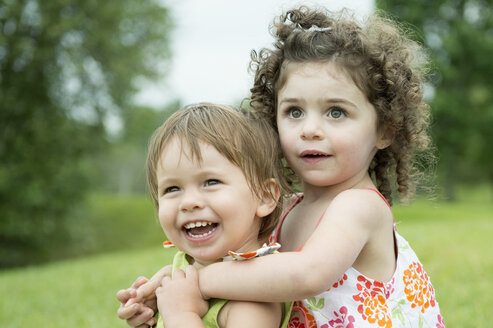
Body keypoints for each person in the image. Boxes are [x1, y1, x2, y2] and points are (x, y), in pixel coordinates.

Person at [118, 6, 444, 327]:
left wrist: (196, 284)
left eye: (336, 112)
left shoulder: (360, 206)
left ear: (385, 129)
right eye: (294, 112)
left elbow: (307, 274)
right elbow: (245, 265)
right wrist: (165, 286)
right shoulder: (286, 208)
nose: (310, 129)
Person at [118, 103, 292, 327]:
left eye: (211, 182)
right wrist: (155, 313)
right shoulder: (188, 265)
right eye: (172, 189)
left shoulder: (254, 299)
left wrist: (179, 314)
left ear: (264, 197)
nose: (189, 202)